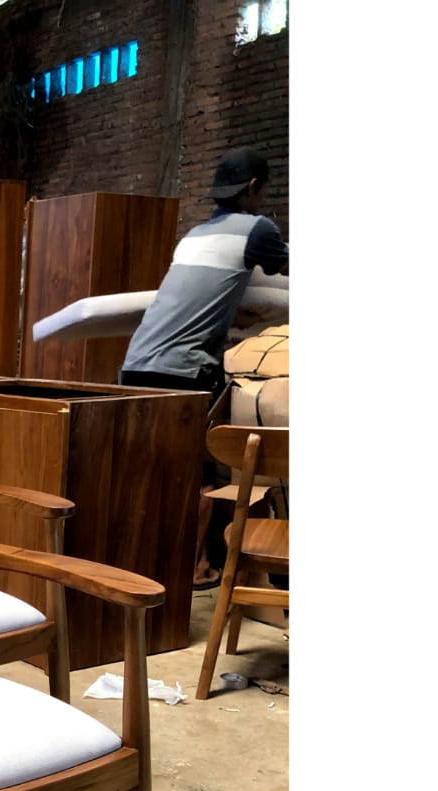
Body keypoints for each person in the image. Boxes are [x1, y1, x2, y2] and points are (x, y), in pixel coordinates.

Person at [119, 146, 289, 585]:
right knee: (200, 477)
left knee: (147, 472)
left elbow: (199, 298)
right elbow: (285, 270)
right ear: (254, 187)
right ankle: (196, 569)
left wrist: (228, 323)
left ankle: (140, 567)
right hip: (183, 372)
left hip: (136, 364)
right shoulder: (258, 229)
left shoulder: (193, 236)